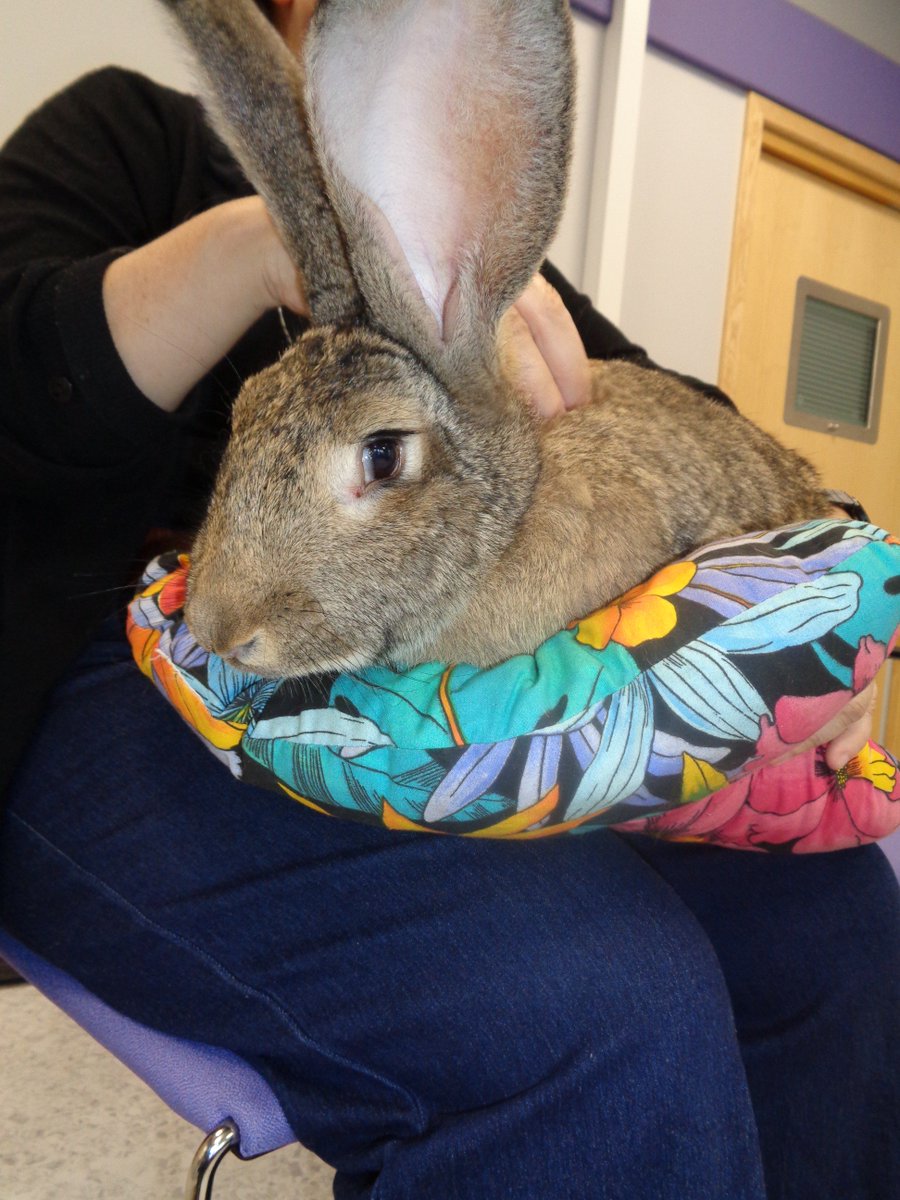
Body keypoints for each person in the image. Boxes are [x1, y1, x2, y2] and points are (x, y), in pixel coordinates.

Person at [1, 2, 898, 1196]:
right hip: (87, 657)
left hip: (388, 667)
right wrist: (252, 246)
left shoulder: (444, 256)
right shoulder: (123, 134)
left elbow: (660, 400)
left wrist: (827, 595)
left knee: (831, 921)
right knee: (594, 999)